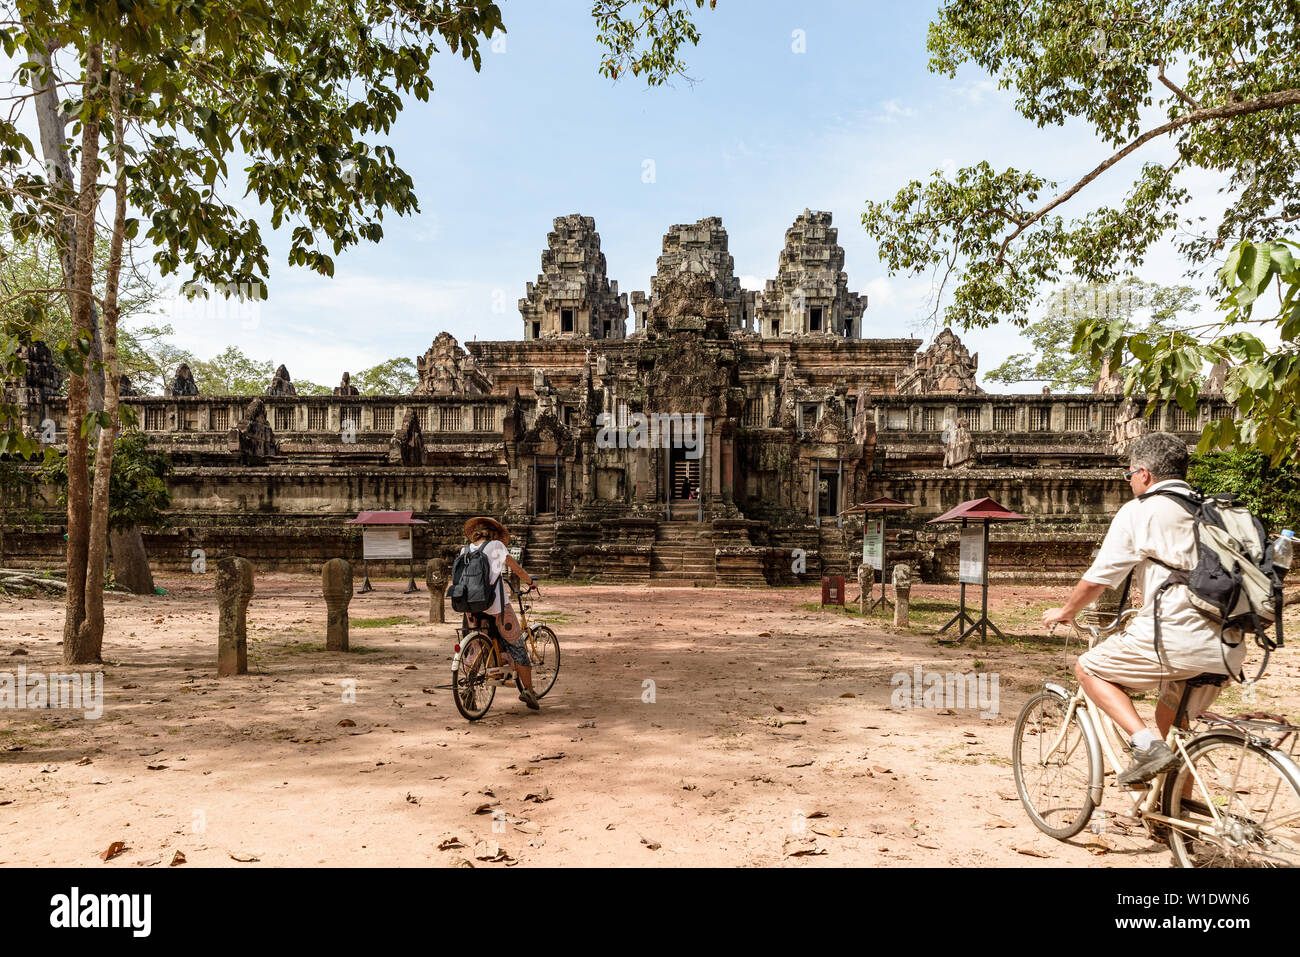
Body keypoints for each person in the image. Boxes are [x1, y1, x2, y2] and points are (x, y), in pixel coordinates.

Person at [1041, 432, 1246, 787]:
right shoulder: (1217, 509)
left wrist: (1066, 611)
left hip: (1175, 637)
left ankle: (1144, 744)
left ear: (1144, 473)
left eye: (1129, 474)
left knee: (1089, 668)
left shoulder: (1141, 510)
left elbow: (1098, 579)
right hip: (1229, 647)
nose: (1130, 481)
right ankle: (1175, 811)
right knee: (1174, 722)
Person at [459, 516, 542, 710]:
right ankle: (529, 691)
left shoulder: (465, 549)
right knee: (517, 645)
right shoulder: (496, 546)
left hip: (471, 606)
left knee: (477, 645)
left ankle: (469, 688)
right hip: (496, 606)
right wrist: (531, 582)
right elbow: (517, 569)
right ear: (494, 533)